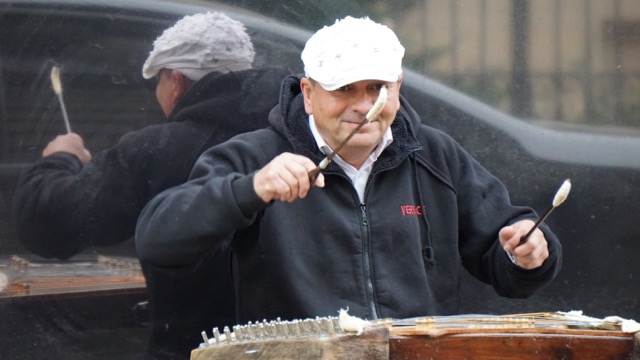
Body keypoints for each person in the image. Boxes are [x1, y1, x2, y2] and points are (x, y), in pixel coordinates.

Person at [136, 16, 562, 325]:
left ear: (397, 87)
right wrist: (250, 189)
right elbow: (159, 241)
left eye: (377, 88)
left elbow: (508, 258)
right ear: (307, 92)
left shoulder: (435, 154)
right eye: (343, 89)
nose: (363, 105)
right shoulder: (252, 158)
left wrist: (527, 254)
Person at [12, 12, 290, 359]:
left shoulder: (159, 150)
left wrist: (61, 159)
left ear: (175, 80)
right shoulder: (298, 134)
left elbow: (47, 223)